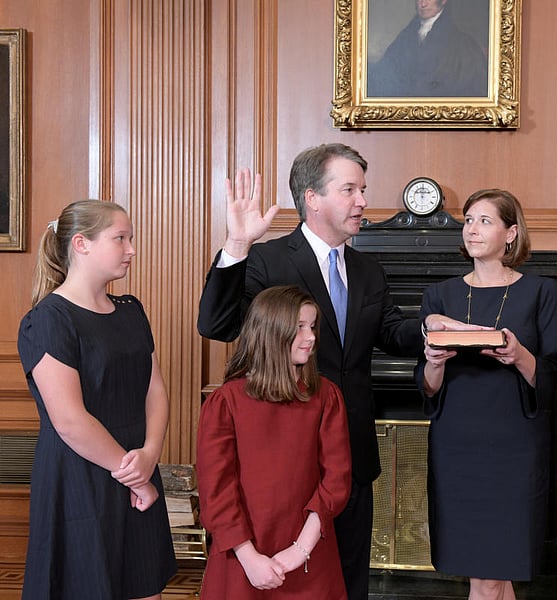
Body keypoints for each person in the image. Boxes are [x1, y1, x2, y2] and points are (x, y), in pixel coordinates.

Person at [197, 143, 460, 600]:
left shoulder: (368, 268)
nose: (362, 200)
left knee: (349, 580)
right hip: (286, 461)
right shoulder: (268, 259)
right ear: (313, 198)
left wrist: (428, 329)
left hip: (351, 455)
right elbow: (216, 325)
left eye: (363, 189)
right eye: (350, 189)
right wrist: (238, 243)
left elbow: (391, 332)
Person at [17, 200, 177, 599]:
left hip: (138, 464)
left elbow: (154, 388)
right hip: (79, 476)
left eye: (131, 238)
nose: (132, 249)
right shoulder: (49, 318)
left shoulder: (131, 310)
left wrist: (150, 455)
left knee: (145, 587)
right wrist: (134, 475)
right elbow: (69, 420)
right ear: (81, 244)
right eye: (120, 238)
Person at [417, 189, 557, 600]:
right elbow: (427, 388)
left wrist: (519, 355)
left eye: (484, 220)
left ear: (511, 232)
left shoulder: (542, 292)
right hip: (456, 446)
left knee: (493, 573)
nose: (471, 229)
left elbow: (553, 375)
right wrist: (433, 360)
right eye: (468, 220)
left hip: (513, 447)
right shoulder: (440, 296)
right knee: (488, 575)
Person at [197, 286, 352, 599]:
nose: (310, 337)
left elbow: (336, 481)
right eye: (299, 328)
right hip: (240, 555)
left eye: (312, 327)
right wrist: (249, 558)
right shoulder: (225, 402)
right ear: (270, 332)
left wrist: (299, 551)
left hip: (310, 555)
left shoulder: (326, 396)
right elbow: (217, 491)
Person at [368, 0, 488, 98]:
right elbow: (386, 70)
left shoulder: (462, 44)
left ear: (444, 1)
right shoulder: (406, 36)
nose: (423, 4)